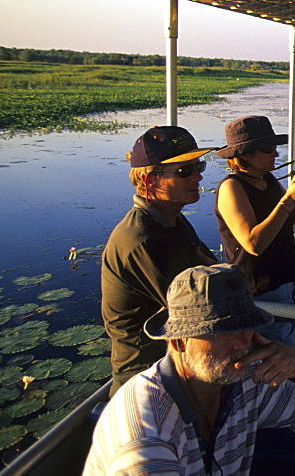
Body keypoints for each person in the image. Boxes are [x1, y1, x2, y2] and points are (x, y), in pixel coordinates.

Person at [85, 264, 295, 475]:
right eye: (221, 334)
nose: (241, 343)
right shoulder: (148, 436)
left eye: (247, 327)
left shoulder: (245, 379)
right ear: (178, 341)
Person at [101, 126, 221, 395]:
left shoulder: (172, 219)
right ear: (149, 181)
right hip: (148, 378)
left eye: (197, 165)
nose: (199, 175)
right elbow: (195, 311)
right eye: (184, 171)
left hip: (179, 359)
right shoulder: (143, 239)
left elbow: (209, 277)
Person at [215, 115, 295, 353]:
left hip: (291, 283)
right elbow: (252, 243)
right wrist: (288, 200)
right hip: (262, 292)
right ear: (244, 154)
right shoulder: (232, 187)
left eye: (275, 148)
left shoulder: (268, 180)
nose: (276, 154)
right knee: (290, 360)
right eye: (267, 149)